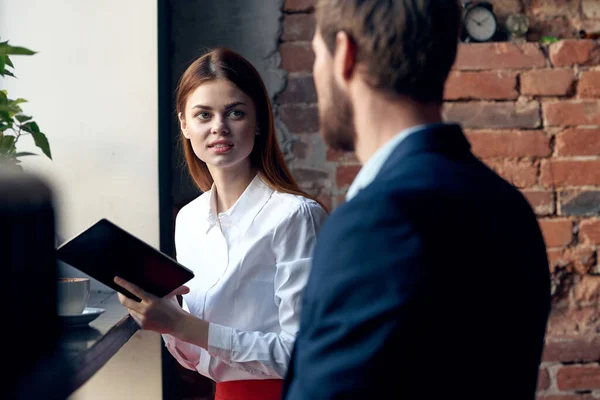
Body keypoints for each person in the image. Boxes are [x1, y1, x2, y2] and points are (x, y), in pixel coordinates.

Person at [283, 1, 552, 399]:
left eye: (315, 55)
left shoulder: (375, 223)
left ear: (345, 54)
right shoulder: (508, 206)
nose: (314, 72)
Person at [114, 48, 328, 400]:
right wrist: (167, 320)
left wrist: (186, 326)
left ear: (259, 121)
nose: (219, 127)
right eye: (203, 115)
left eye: (236, 112)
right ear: (184, 123)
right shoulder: (190, 220)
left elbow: (304, 354)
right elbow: (199, 358)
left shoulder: (295, 216)